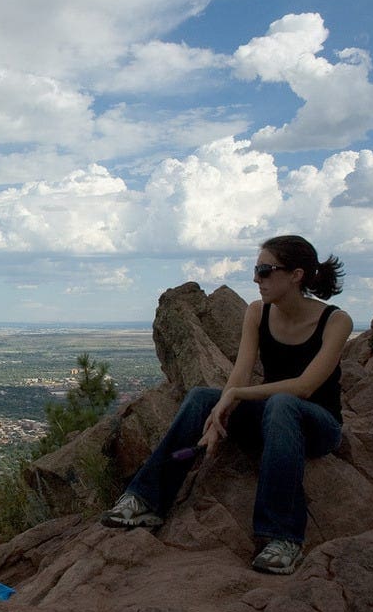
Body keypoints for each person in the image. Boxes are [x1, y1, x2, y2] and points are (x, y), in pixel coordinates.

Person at [100, 235, 352, 575]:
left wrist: (236, 396)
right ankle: (146, 500)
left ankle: (283, 538)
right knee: (202, 397)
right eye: (256, 270)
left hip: (319, 426)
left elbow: (305, 387)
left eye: (265, 271)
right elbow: (240, 373)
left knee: (281, 403)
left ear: (296, 275)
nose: (255, 279)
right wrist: (220, 411)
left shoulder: (336, 321)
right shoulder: (257, 313)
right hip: (274, 420)